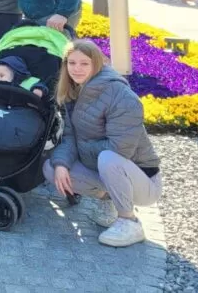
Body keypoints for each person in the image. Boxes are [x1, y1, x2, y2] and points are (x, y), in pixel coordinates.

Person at [43, 40, 161, 247]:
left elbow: (121, 148)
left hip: (143, 181)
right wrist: (62, 163)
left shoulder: (120, 95)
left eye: (84, 63)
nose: (77, 69)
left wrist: (81, 151)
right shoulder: (73, 90)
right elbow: (70, 137)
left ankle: (129, 221)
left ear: (96, 64)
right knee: (52, 168)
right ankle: (109, 201)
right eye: (72, 63)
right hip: (105, 167)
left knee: (108, 158)